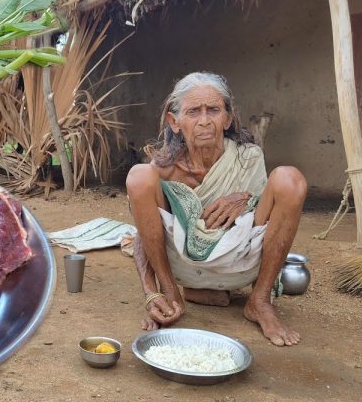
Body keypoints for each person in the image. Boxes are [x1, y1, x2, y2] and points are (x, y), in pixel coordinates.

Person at [126, 72, 306, 346]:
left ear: (227, 119)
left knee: (289, 179)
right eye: (193, 111)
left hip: (240, 263)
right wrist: (153, 293)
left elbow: (265, 218)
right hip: (183, 267)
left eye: (214, 110)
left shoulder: (247, 158)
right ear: (175, 122)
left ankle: (258, 300)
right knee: (138, 176)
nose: (205, 121)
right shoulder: (162, 171)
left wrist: (246, 198)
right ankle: (175, 292)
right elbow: (144, 235)